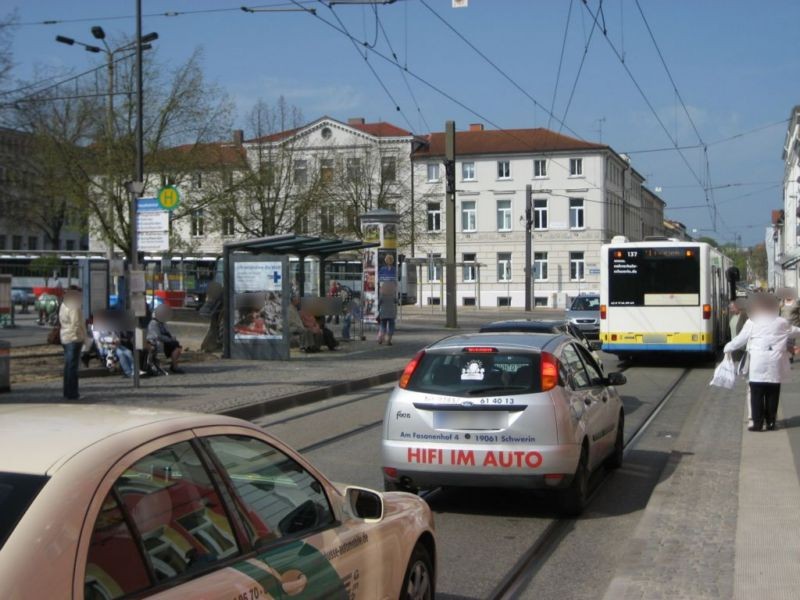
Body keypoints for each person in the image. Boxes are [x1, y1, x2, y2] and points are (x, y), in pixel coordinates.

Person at [724, 293, 800, 431]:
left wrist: (727, 348)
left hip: (757, 362)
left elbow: (740, 339)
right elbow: (796, 331)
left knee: (756, 393)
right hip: (775, 362)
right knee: (773, 392)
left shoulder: (752, 322)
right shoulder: (781, 322)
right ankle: (771, 422)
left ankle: (757, 423)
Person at [59, 286, 86, 400]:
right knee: (73, 367)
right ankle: (73, 393)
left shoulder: (64, 304)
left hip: (65, 336)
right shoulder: (74, 305)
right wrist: (81, 336)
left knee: (68, 366)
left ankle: (67, 391)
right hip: (73, 338)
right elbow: (76, 323)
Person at [147, 304, 184, 374]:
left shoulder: (163, 323)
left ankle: (174, 365)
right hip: (157, 342)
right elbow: (157, 336)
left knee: (177, 347)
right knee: (175, 346)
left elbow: (167, 332)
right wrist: (169, 339)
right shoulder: (153, 323)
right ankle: (173, 366)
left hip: (165, 341)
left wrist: (172, 338)